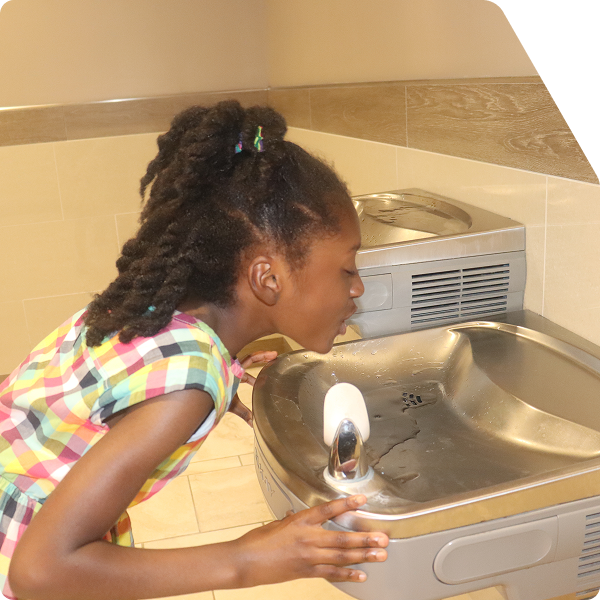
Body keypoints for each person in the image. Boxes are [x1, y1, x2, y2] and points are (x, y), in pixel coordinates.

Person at [0, 100, 388, 600]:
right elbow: (41, 571)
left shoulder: (152, 316)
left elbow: (121, 387)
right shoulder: (184, 388)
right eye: (346, 268)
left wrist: (220, 375)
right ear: (268, 278)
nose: (357, 288)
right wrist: (246, 562)